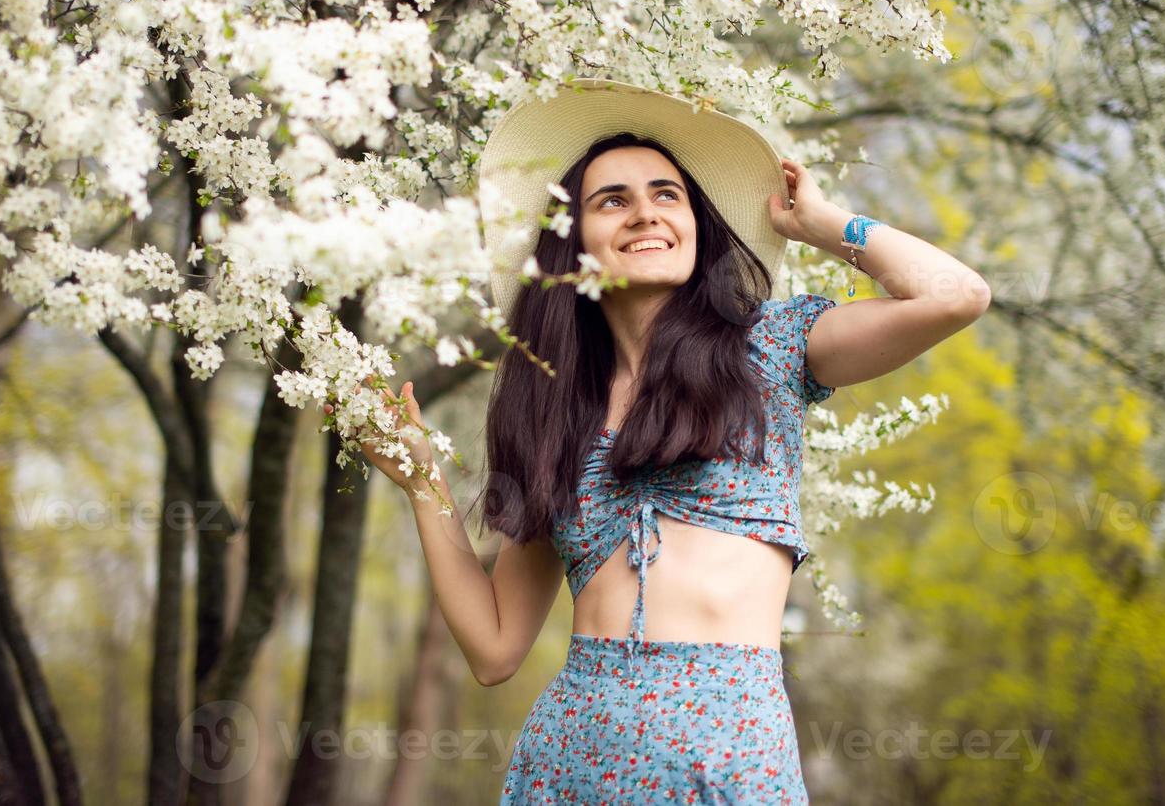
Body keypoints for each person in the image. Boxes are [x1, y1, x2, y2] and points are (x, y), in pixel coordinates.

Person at [330, 79, 991, 803]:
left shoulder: (771, 347)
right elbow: (493, 651)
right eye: (611, 200)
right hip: (573, 763)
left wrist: (825, 224)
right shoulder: (555, 412)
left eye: (666, 194)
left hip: (733, 756)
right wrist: (422, 482)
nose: (645, 212)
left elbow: (954, 295)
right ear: (571, 240)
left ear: (696, 223)